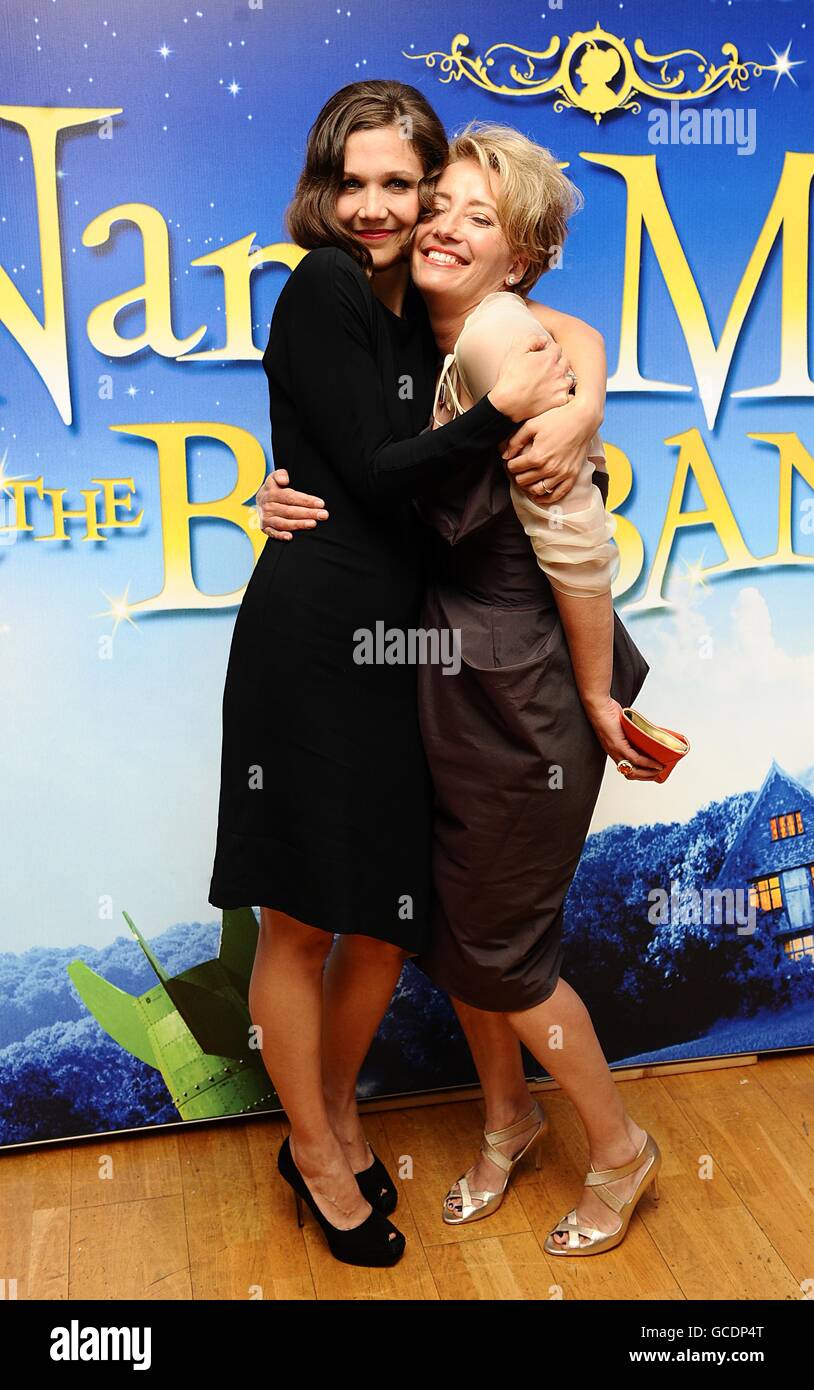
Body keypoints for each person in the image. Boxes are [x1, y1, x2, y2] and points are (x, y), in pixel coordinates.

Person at [258, 122, 667, 1256]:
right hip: (437, 673)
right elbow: (349, 440)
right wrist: (277, 487)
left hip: (524, 690)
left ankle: (623, 1155)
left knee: (506, 955)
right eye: (438, 200)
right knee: (453, 934)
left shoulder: (501, 337)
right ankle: (507, 1121)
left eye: (474, 215)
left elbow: (578, 546)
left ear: (520, 254)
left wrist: (593, 693)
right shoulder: (393, 317)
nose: (436, 220)